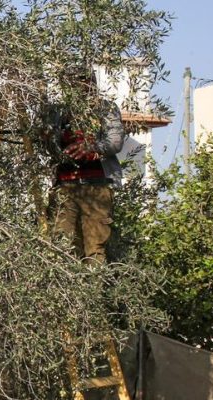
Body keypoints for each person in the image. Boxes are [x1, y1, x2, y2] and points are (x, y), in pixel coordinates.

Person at [51, 69, 125, 264]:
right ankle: (66, 293)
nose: (79, 85)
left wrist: (91, 148)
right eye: (73, 81)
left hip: (96, 186)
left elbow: (115, 142)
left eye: (83, 80)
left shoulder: (105, 109)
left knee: (95, 249)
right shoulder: (59, 112)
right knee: (61, 248)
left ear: (92, 82)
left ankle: (94, 290)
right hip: (65, 187)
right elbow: (50, 146)